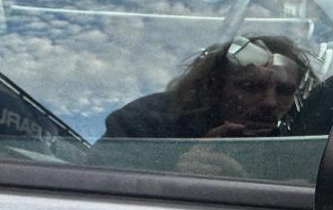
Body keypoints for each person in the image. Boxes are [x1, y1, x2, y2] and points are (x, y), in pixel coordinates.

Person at [101, 36, 318, 140]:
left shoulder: (309, 136)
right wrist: (184, 171)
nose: (270, 102)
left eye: (284, 91)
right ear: (215, 86)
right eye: (251, 87)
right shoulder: (144, 127)